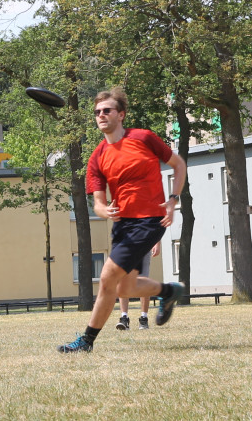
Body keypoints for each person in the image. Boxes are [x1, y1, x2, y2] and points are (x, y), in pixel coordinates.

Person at [59, 87, 187, 353]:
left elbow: (178, 164)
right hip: (124, 225)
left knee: (107, 279)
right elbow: (98, 202)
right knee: (125, 287)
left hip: (150, 220)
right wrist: (103, 209)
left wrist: (174, 199)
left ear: (121, 115)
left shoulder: (144, 138)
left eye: (107, 110)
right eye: (97, 112)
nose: (101, 115)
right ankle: (168, 291)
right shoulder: (97, 157)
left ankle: (86, 341)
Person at [116, 248, 155, 331]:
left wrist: (157, 243)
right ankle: (124, 318)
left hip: (144, 245)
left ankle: (144, 318)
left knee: (143, 281)